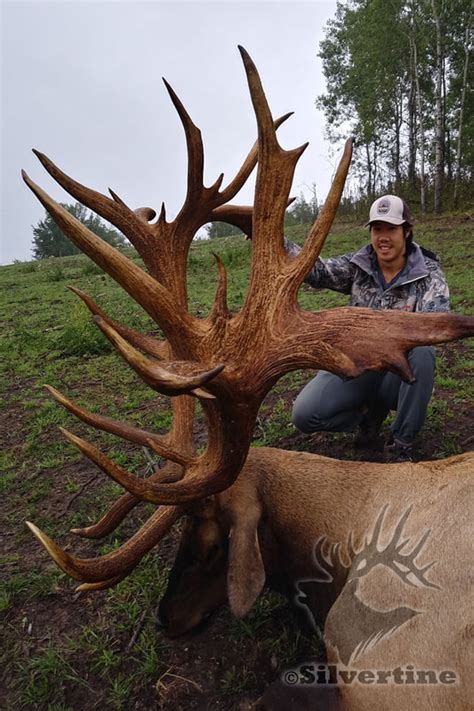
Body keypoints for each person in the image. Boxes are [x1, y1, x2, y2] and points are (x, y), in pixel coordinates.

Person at [287, 194, 450, 462]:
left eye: (391, 229)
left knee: (423, 353)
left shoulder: (429, 274)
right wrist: (273, 238)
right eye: (377, 229)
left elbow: (436, 324)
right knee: (305, 415)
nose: (383, 237)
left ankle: (401, 446)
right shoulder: (358, 265)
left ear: (406, 231)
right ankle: (367, 414)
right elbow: (317, 271)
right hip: (358, 365)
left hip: (399, 375)